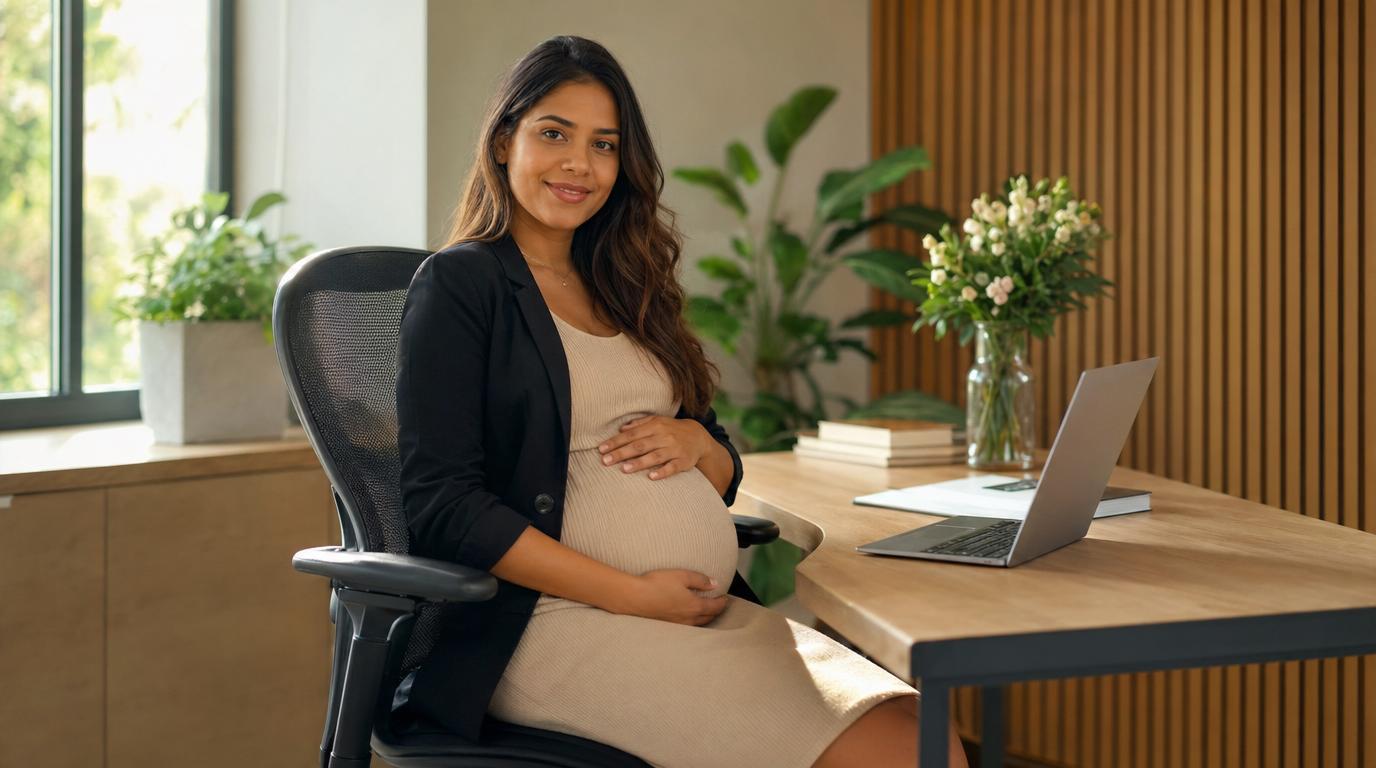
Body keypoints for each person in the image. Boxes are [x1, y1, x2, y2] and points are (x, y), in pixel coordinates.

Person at [395, 34, 969, 768]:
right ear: (504, 142)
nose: (580, 163)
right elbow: (443, 506)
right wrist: (628, 594)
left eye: (604, 144)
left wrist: (703, 450)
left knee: (926, 734)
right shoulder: (461, 286)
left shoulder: (624, 283)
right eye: (554, 134)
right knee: (894, 755)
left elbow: (715, 455)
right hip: (552, 626)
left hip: (691, 613)